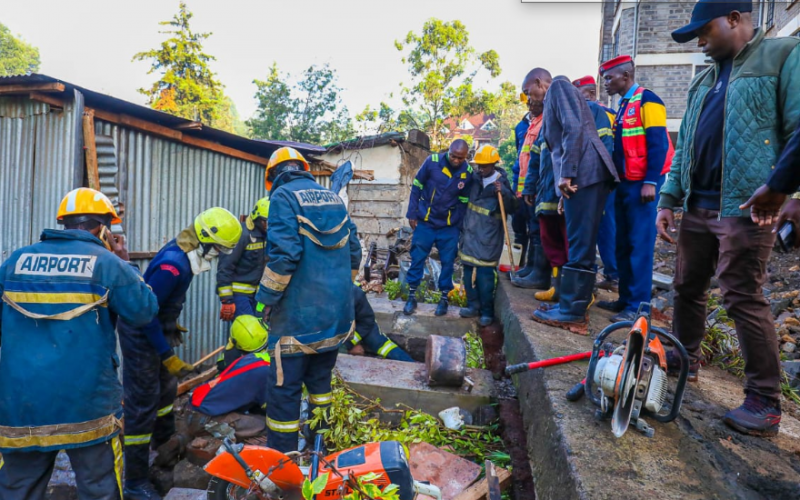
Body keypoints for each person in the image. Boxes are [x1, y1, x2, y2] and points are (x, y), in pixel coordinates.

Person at [657, 0, 800, 437]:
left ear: (735, 19)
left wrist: (783, 188)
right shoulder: (704, 80)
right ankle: (685, 357)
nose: (700, 42)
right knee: (686, 286)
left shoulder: (781, 55)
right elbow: (685, 147)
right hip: (698, 205)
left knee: (741, 295)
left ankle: (764, 399)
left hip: (747, 206)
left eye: (705, 32)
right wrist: (669, 198)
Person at [0, 188, 158, 500]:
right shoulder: (107, 264)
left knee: (17, 488)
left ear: (64, 223)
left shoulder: (16, 261)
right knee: (99, 488)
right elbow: (144, 311)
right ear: (104, 228)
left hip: (22, 404)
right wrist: (125, 261)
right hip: (86, 404)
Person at [118, 207, 242, 499]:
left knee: (164, 392)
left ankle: (162, 442)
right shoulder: (173, 266)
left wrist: (169, 325)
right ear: (204, 240)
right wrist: (165, 354)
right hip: (141, 335)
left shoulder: (184, 255)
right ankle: (135, 481)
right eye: (218, 249)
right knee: (140, 406)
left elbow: (157, 306)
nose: (217, 255)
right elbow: (144, 314)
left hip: (157, 331)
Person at [256, 146, 361, 453]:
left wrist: (266, 300)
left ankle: (283, 463)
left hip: (296, 321)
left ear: (273, 176)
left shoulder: (283, 197)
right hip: (336, 318)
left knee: (284, 392)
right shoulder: (332, 196)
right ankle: (320, 452)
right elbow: (354, 251)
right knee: (320, 388)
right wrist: (340, 289)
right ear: (303, 167)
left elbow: (285, 256)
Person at [525, 68, 619, 333]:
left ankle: (572, 312)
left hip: (585, 174)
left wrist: (567, 174)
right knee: (581, 240)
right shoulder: (559, 93)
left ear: (539, 82)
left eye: (527, 91)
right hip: (586, 177)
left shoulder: (559, 87)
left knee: (579, 243)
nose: (528, 98)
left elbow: (573, 129)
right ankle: (571, 307)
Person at [600, 56, 674, 322]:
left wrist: (651, 181)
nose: (606, 83)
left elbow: (658, 143)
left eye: (610, 78)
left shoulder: (648, 100)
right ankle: (625, 299)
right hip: (625, 183)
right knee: (622, 243)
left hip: (643, 185)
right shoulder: (623, 105)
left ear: (626, 75)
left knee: (640, 245)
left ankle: (639, 307)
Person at [404, 139, 473, 316]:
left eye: (460, 158)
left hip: (448, 227)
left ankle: (444, 299)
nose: (456, 161)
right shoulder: (432, 162)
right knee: (418, 257)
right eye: (453, 156)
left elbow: (464, 201)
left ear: (466, 157)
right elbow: (417, 186)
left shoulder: (468, 172)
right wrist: (412, 213)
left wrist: (457, 224)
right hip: (426, 222)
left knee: (448, 262)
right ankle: (411, 296)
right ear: (448, 151)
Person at [458, 145, 516, 326]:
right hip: (470, 234)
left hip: (489, 238)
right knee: (468, 274)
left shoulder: (502, 183)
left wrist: (504, 194)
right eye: (479, 166)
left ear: (493, 164)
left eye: (484, 166)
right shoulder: (474, 179)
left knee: (485, 278)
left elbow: (514, 208)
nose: (480, 169)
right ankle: (472, 306)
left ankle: (487, 312)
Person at [573, 75, 619, 292]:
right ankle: (610, 273)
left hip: (601, 179)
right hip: (598, 179)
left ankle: (613, 274)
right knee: (599, 227)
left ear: (590, 94)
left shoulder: (600, 112)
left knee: (605, 226)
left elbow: (605, 147)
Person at [511, 78, 550, 290]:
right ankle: (531, 267)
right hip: (528, 185)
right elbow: (523, 158)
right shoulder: (529, 123)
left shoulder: (548, 119)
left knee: (539, 229)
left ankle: (539, 273)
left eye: (531, 97)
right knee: (532, 229)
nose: (529, 104)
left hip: (540, 186)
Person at [191, 315, 271, 417]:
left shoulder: (236, 355)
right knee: (262, 423)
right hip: (205, 414)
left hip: (201, 398)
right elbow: (269, 406)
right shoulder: (263, 368)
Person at [217, 197, 270, 320]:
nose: (270, 225)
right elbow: (225, 268)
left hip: (259, 297)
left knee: (258, 331)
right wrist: (227, 300)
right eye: (267, 221)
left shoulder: (268, 236)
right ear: (257, 218)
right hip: (239, 296)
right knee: (246, 331)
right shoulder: (241, 234)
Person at [349, 284, 414, 361]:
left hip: (363, 325)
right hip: (340, 332)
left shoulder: (356, 293)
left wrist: (349, 344)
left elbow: (366, 321)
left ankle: (413, 365)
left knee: (383, 345)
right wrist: (345, 348)